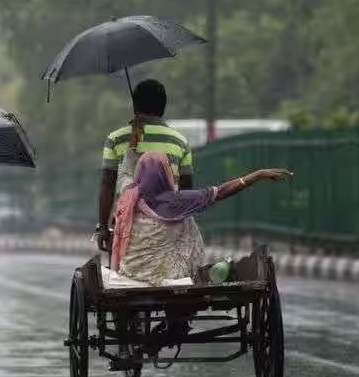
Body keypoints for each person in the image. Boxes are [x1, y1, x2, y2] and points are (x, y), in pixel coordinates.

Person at [111, 130, 292, 286]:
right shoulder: (176, 202)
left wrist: (133, 145)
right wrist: (258, 174)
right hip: (166, 274)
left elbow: (124, 172)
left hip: (132, 271)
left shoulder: (128, 196)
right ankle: (192, 271)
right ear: (165, 173)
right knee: (187, 218)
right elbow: (220, 192)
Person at [97, 79, 194, 254]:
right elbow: (186, 192)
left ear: (135, 106)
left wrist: (103, 227)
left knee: (122, 278)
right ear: (163, 107)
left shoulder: (116, 139)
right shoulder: (181, 142)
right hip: (167, 229)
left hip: (125, 232)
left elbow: (107, 184)